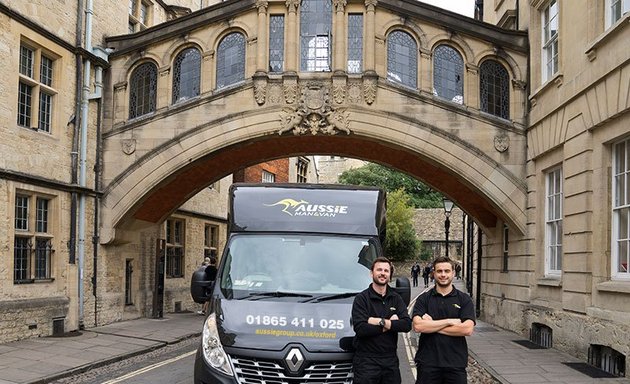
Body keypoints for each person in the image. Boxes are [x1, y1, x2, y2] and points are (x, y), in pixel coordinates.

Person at [412, 256, 476, 384]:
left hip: (455, 364)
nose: (443, 275)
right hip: (428, 364)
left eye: (446, 271)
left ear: (453, 273)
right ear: (433, 273)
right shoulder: (423, 299)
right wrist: (449, 321)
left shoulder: (464, 299)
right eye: (439, 271)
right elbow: (418, 326)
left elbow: (467, 329)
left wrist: (431, 325)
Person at [351, 257, 412, 384]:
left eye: (386, 270)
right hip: (366, 361)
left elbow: (406, 324)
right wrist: (391, 323)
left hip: (390, 361)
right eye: (379, 270)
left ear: (390, 275)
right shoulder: (361, 299)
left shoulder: (396, 298)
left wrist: (379, 321)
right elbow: (361, 329)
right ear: (371, 273)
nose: (383, 273)